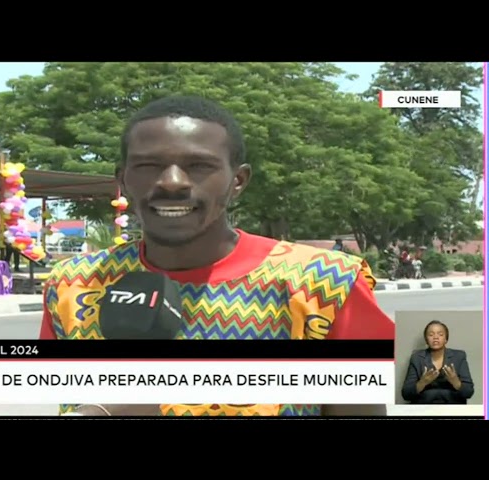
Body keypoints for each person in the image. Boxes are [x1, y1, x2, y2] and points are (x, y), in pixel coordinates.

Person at [40, 95, 395, 416]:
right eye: (148, 166)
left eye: (199, 166)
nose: (172, 182)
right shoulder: (73, 285)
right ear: (123, 179)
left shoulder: (324, 283)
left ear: (237, 181)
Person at [401, 320, 474, 404]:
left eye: (440, 334)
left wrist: (455, 382)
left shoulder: (459, 356)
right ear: (426, 340)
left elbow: (469, 392)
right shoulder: (417, 358)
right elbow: (406, 394)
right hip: (424, 409)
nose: (435, 337)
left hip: (452, 409)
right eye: (431, 334)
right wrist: (422, 382)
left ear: (446, 339)